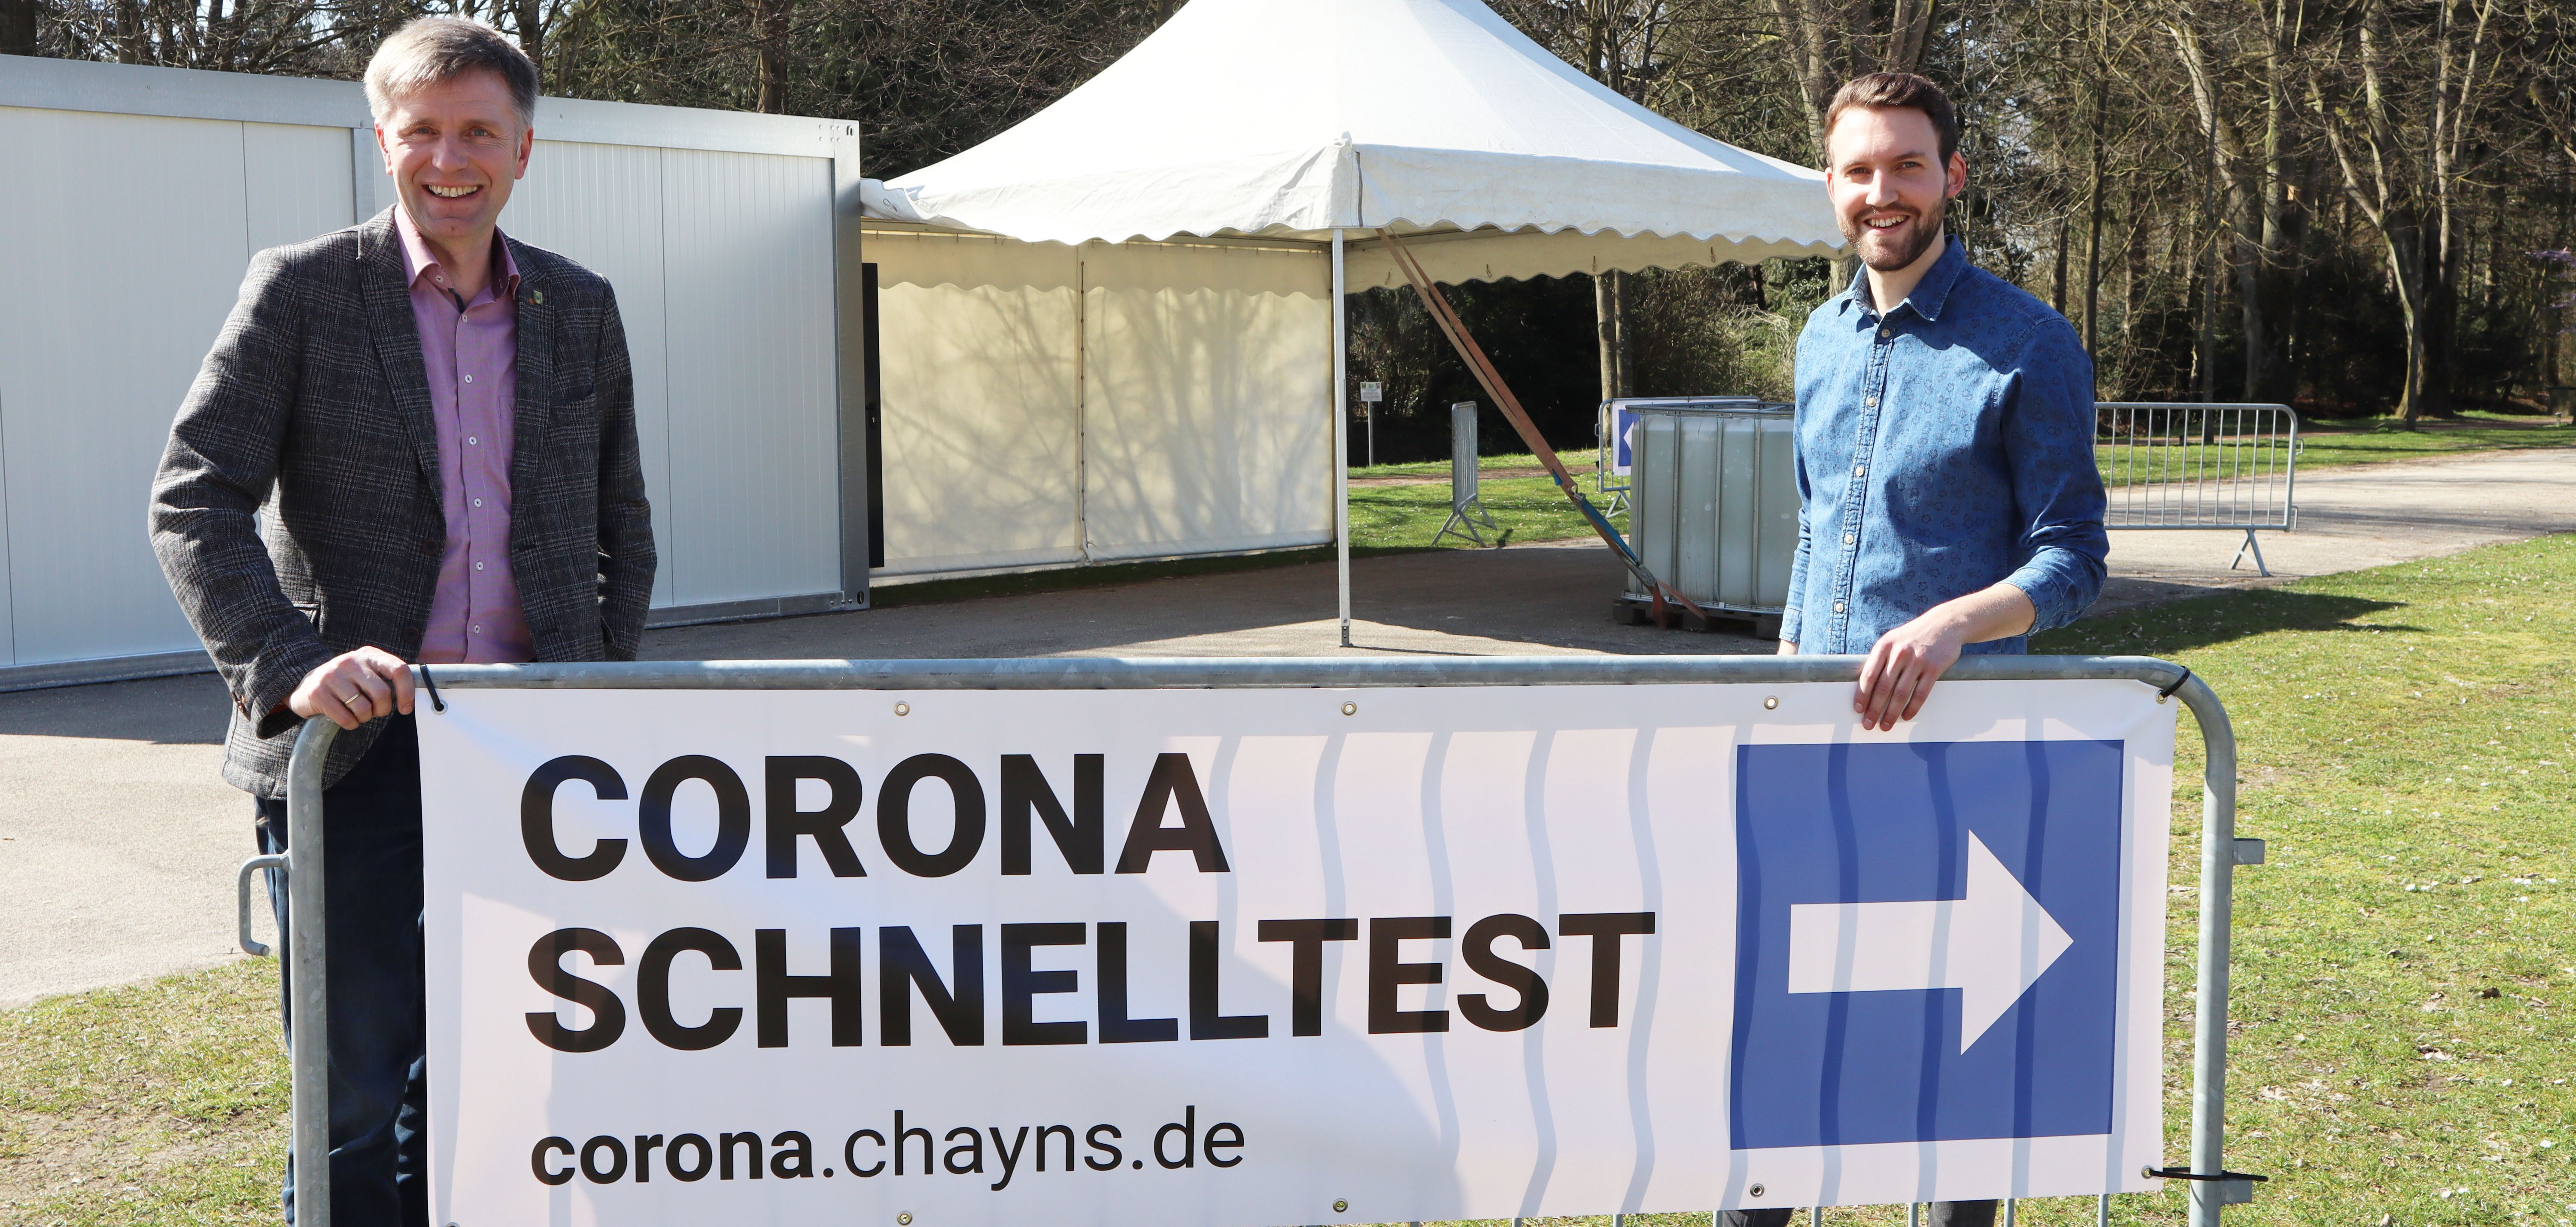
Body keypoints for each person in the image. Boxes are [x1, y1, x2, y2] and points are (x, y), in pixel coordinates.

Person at [148, 17, 654, 1224]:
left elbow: (619, 530)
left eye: (479, 130)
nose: (450, 157)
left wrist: (604, 696)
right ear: (382, 140)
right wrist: (290, 663)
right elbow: (193, 493)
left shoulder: (581, 307)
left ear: (524, 148)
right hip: (355, 763)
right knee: (354, 1093)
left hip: (533, 766)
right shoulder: (305, 290)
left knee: (501, 1075)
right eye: (421, 130)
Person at [1750, 71, 2109, 1227]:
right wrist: (1777, 687)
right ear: (1830, 187)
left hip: (1965, 772)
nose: (1882, 191)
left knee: (1956, 1090)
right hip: (1817, 767)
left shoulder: (2031, 343)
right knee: (1781, 1067)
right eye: (1859, 169)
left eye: (1907, 164)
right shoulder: (1816, 339)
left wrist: (1955, 621)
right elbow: (1815, 537)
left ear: (1952, 176)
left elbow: (2073, 561)